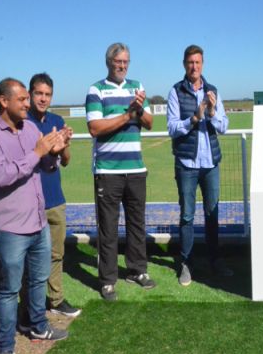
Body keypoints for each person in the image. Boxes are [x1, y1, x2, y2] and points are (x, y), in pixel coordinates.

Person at [0, 78, 70, 354]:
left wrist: (55, 151)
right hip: (9, 227)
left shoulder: (30, 129)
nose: (29, 104)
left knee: (38, 279)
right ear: (4, 101)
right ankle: (5, 349)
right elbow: (1, 176)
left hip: (37, 220)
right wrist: (39, 152)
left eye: (29, 99)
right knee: (9, 289)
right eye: (23, 100)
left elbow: (45, 168)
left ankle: (39, 326)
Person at [86, 42, 156, 301]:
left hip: (136, 169)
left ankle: (137, 270)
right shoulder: (96, 90)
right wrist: (127, 116)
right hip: (108, 170)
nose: (122, 66)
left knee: (137, 224)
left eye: (126, 62)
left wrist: (138, 110)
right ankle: (107, 280)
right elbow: (95, 127)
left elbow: (149, 123)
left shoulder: (137, 87)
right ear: (109, 62)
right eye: (118, 62)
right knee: (108, 228)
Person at [167, 44, 231, 286]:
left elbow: (224, 127)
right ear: (185, 64)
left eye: (198, 62)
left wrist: (212, 111)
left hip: (210, 164)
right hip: (187, 164)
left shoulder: (213, 90)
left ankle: (215, 260)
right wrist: (195, 117)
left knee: (212, 214)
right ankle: (186, 263)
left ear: (203, 64)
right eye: (190, 62)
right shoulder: (176, 92)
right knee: (186, 216)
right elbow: (172, 128)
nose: (194, 66)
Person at [26, 73, 81, 317]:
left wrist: (64, 145)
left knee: (57, 254)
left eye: (47, 94)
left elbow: (66, 161)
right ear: (30, 94)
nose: (43, 98)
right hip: (28, 202)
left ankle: (56, 301)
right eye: (39, 93)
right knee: (29, 257)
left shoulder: (57, 120)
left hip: (55, 198)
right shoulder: (22, 123)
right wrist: (45, 149)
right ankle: (29, 305)